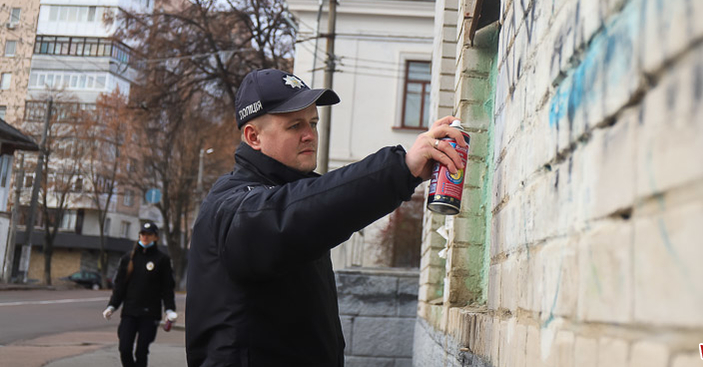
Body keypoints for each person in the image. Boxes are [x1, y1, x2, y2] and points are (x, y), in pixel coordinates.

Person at [185, 68, 465, 367]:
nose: (310, 135)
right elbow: (293, 213)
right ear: (253, 137)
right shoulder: (232, 205)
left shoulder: (291, 193)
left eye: (313, 123)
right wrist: (401, 168)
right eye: (294, 126)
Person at [103, 221, 178, 367]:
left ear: (156, 237)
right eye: (143, 234)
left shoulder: (162, 260)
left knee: (141, 351)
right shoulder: (128, 258)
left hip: (150, 314)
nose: (145, 237)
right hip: (130, 312)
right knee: (124, 348)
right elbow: (120, 287)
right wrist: (112, 306)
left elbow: (167, 288)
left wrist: (170, 310)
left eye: (149, 234)